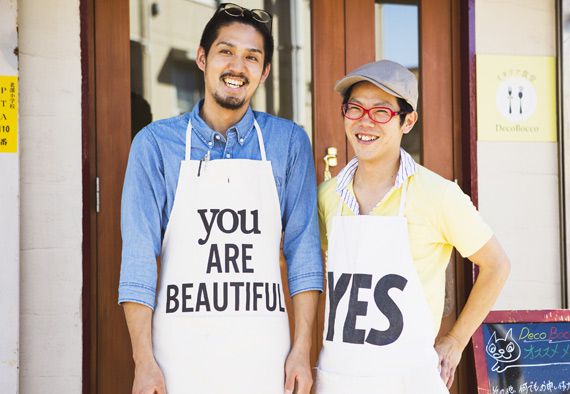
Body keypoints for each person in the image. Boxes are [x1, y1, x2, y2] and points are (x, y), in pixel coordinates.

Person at [118, 3, 323, 393]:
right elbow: (139, 259)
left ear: (263, 72)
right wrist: (143, 361)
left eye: (251, 57)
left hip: (265, 358)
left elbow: (304, 255)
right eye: (226, 51)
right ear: (202, 58)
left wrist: (302, 349)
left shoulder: (288, 143)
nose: (237, 66)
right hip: (178, 358)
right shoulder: (155, 145)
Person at [315, 59, 510, 393]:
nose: (365, 122)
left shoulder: (438, 194)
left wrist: (455, 340)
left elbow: (497, 265)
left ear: (408, 121)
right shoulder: (326, 196)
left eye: (381, 112)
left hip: (408, 380)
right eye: (355, 109)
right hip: (337, 378)